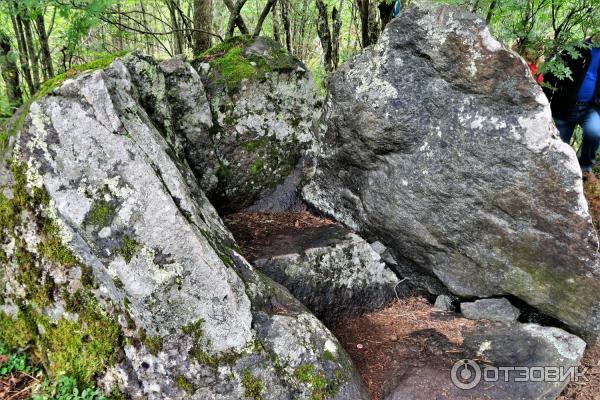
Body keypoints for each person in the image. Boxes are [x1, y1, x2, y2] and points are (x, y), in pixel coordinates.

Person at [544, 32, 600, 182]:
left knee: (594, 132)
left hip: (591, 108)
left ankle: (585, 168)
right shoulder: (575, 48)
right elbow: (551, 75)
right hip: (565, 107)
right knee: (559, 149)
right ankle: (555, 177)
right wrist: (546, 102)